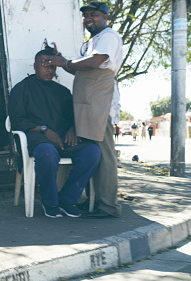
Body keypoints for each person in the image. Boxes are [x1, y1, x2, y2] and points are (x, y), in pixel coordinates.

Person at [41, 1, 123, 218]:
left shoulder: (108, 36)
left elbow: (92, 64)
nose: (88, 19)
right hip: (88, 107)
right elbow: (80, 70)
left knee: (104, 156)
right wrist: (63, 62)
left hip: (100, 106)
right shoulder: (92, 42)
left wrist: (64, 61)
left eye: (93, 15)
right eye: (85, 16)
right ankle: (94, 201)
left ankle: (108, 206)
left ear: (105, 17)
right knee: (91, 155)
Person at [9, 47, 101, 218]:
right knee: (47, 153)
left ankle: (67, 199)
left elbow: (74, 116)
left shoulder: (63, 92)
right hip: (38, 138)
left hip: (63, 138)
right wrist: (44, 129)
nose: (49, 70)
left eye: (52, 66)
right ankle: (50, 202)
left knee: (92, 152)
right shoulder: (21, 89)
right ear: (35, 66)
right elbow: (17, 120)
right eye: (45, 65)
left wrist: (73, 128)